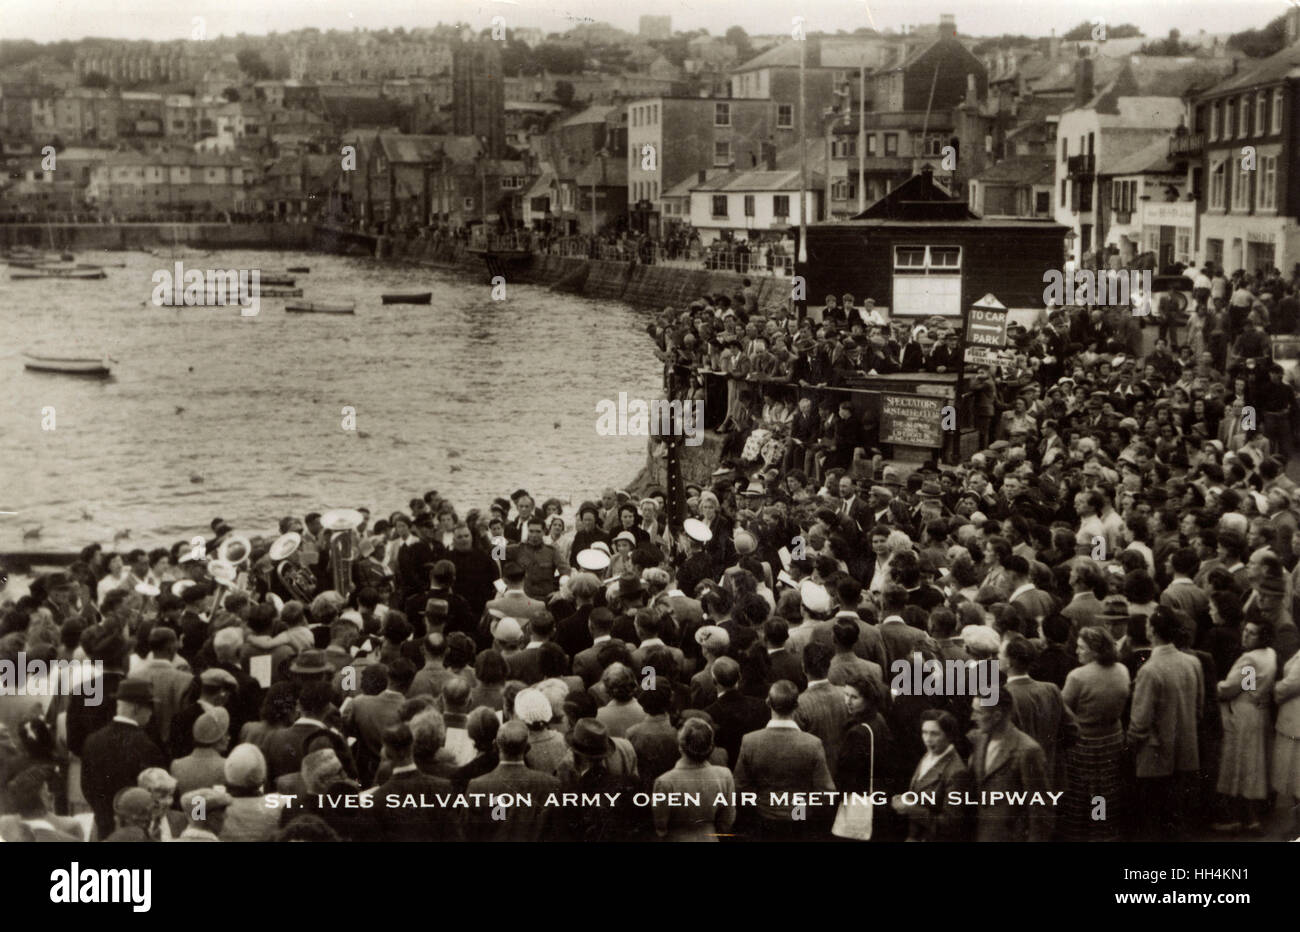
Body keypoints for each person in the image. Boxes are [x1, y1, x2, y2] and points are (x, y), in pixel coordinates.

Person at [1127, 607, 1204, 841]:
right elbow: (1198, 707)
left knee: (1154, 820)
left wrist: (1130, 744)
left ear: (1151, 631)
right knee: (1176, 817)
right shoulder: (1192, 662)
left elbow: (1140, 722)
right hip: (1185, 748)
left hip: (1155, 753)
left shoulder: (1149, 669)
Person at [733, 680, 835, 839]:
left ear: (768, 703)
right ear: (796, 705)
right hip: (799, 818)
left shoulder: (750, 741)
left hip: (764, 819)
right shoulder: (812, 743)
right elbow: (826, 792)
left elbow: (740, 788)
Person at [1060, 626, 1131, 841]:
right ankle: (1101, 831)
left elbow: (1063, 708)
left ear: (1095, 650)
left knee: (1082, 790)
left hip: (1085, 742)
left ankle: (1081, 832)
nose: (1077, 652)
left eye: (1082, 648)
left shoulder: (1078, 677)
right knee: (1103, 790)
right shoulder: (1121, 670)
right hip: (1113, 738)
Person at [79, 679, 167, 841]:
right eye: (149, 707)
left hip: (102, 827)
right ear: (136, 708)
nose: (151, 713)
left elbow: (86, 787)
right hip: (136, 833)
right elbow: (155, 794)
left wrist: (103, 813)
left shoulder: (92, 740)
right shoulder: (147, 746)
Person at [1213, 620, 1277, 833]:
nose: (1246, 636)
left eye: (1252, 633)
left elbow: (1233, 687)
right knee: (1253, 764)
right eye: (1245, 631)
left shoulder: (1249, 659)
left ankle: (1243, 818)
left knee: (1240, 763)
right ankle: (1251, 817)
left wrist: (1217, 687)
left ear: (1262, 637)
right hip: (1260, 712)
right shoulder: (1270, 654)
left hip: (1243, 714)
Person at [968, 686, 1052, 842]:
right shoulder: (979, 739)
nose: (972, 717)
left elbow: (1040, 810)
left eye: (979, 712)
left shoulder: (1028, 750)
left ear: (997, 716)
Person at [466, 720, 560, 842]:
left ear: (496, 746)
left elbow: (467, 833)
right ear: (527, 747)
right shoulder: (551, 785)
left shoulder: (477, 787)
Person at [890, 710, 972, 841]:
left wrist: (911, 809)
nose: (927, 739)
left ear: (949, 735)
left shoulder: (956, 772)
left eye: (934, 734)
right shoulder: (929, 755)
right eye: (924, 732)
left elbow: (950, 825)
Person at [651, 719, 736, 842]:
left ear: (681, 747)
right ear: (710, 746)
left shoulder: (665, 781)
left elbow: (660, 825)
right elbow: (727, 818)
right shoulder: (724, 775)